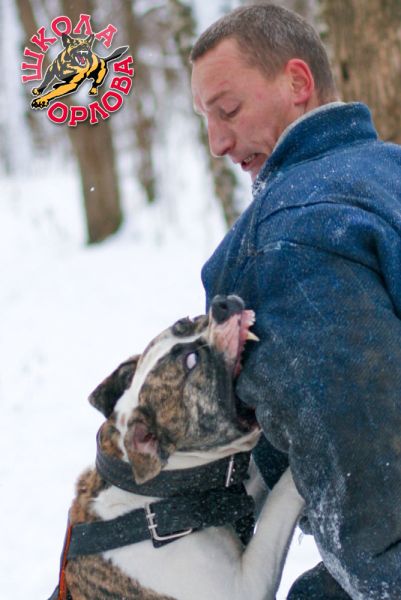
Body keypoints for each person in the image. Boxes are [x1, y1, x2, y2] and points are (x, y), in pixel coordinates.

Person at [190, 4, 401, 600]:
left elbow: (368, 484)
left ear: (298, 83)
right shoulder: (390, 171)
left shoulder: (288, 240)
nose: (217, 142)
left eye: (229, 110)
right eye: (206, 120)